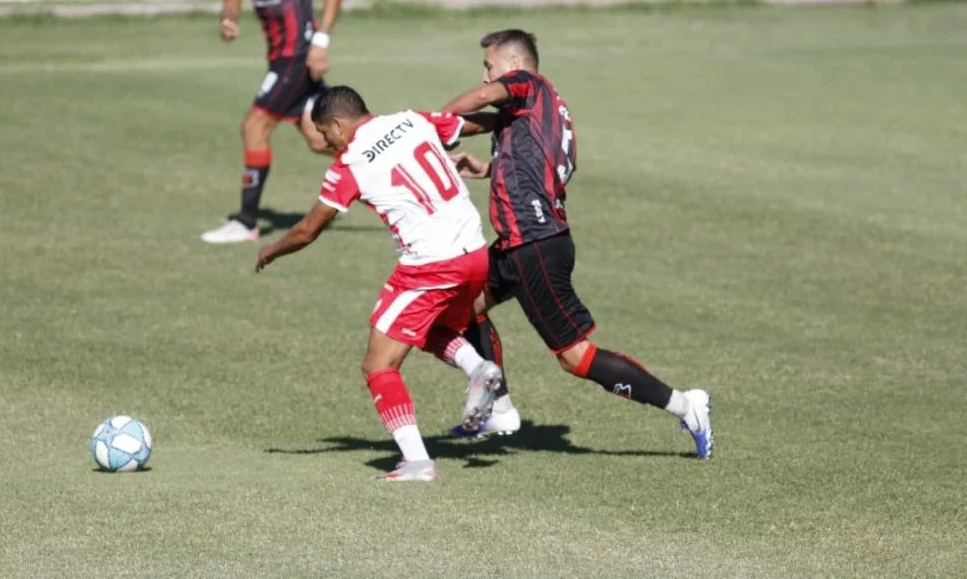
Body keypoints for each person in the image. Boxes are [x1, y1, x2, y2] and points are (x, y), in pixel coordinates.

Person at [443, 29, 714, 459]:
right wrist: (486, 169)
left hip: (535, 246)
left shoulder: (527, 84)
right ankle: (500, 410)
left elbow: (476, 103)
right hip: (523, 241)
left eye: (488, 67)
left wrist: (435, 124)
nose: (484, 75)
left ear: (512, 67)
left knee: (575, 358)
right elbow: (533, 161)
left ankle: (686, 404)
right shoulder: (547, 108)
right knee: (459, 306)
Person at [255, 85, 505, 480]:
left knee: (378, 364)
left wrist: (272, 249)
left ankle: (417, 462)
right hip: (475, 253)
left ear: (337, 123)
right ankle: (477, 367)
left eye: (324, 133)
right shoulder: (413, 119)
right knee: (429, 328)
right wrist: (517, 122)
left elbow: (307, 230)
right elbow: (475, 125)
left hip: (430, 266)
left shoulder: (351, 164)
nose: (325, 142)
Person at [202, 0, 345, 244]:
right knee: (321, 140)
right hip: (279, 60)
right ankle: (406, 179)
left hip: (296, 58)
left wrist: (321, 42)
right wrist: (228, 20)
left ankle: (247, 221)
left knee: (254, 127)